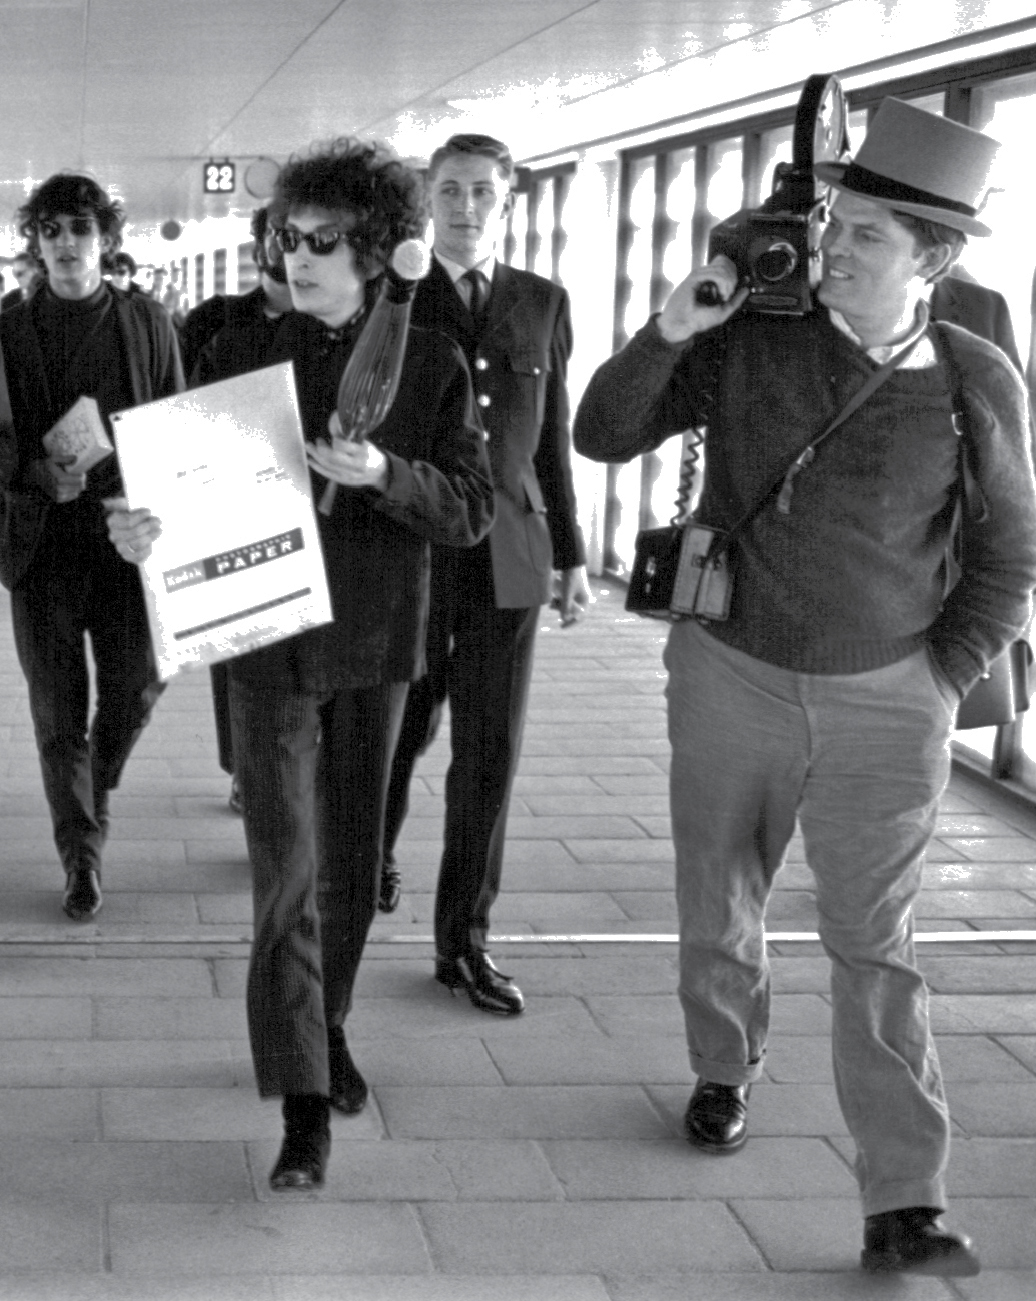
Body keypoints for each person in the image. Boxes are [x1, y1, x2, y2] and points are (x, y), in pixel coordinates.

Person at [574, 98, 1036, 1276]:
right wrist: (672, 325)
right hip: (730, 674)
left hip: (891, 698)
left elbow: (1012, 547)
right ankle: (724, 1064)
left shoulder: (972, 373)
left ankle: (904, 1194)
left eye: (869, 234)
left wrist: (944, 676)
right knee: (718, 892)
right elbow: (601, 431)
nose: (834, 242)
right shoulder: (747, 338)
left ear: (930, 259)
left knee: (875, 946)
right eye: (839, 218)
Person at [108, 137, 494, 1192]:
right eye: (289, 235)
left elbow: (467, 511)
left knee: (353, 868)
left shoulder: (432, 362)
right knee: (286, 874)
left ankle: (325, 1024)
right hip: (265, 644)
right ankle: (305, 1099)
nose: (299, 252)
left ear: (374, 251)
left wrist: (383, 472)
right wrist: (144, 531)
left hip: (376, 641)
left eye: (323, 239)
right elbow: (180, 496)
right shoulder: (240, 348)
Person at [379, 133, 589, 1016]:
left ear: (509, 200)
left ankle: (464, 939)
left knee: (489, 755)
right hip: (415, 550)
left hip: (511, 556)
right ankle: (369, 861)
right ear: (429, 196)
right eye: (451, 190)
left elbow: (550, 438)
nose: (466, 208)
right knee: (398, 729)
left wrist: (573, 554)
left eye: (482, 193)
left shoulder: (543, 300)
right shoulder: (395, 292)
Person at [0, 174, 183, 920]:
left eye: (80, 229)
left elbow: (174, 423)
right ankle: (81, 853)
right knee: (56, 712)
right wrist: (39, 477)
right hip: (41, 546)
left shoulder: (147, 322)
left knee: (139, 683)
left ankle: (92, 783)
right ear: (35, 244)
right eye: (51, 231)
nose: (66, 244)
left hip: (126, 543)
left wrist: (165, 510)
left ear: (106, 239)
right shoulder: (6, 330)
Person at [180, 204, 296, 812]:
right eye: (279, 238)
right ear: (259, 249)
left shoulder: (346, 323)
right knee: (242, 657)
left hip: (316, 515)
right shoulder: (214, 323)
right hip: (233, 511)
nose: (292, 251)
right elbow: (175, 407)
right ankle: (246, 771)